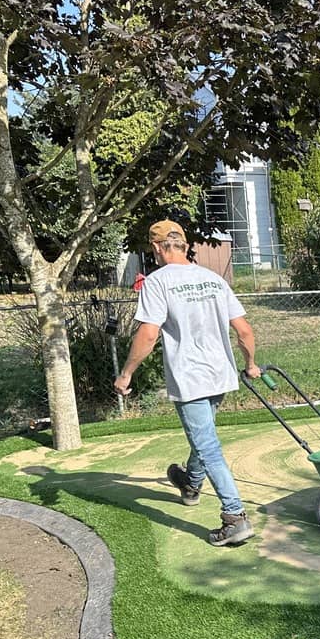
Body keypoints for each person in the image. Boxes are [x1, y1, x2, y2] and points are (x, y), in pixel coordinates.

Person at [114, 220, 259, 546]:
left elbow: (149, 333)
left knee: (207, 445)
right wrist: (250, 365)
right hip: (219, 374)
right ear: (183, 244)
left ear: (156, 248)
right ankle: (191, 484)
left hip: (190, 377)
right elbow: (245, 331)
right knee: (203, 434)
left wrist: (126, 374)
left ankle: (234, 517)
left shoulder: (157, 281)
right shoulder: (212, 279)